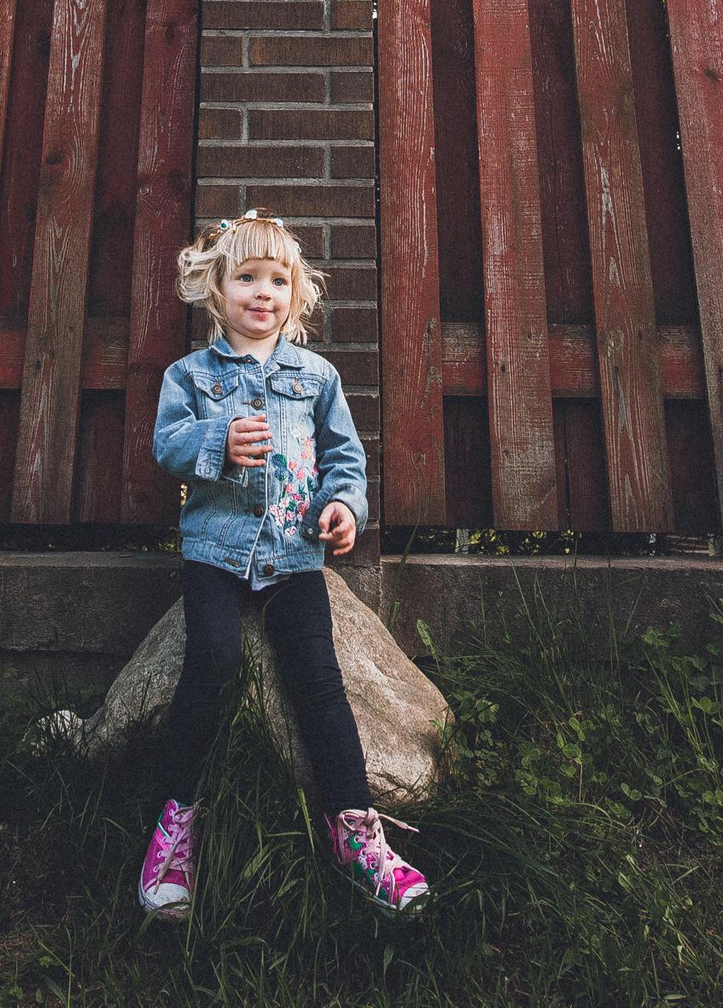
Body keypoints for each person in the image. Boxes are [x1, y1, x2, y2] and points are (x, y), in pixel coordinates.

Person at [136, 209, 429, 921]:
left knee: (319, 680)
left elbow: (345, 460)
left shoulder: (317, 376)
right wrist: (215, 439)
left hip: (295, 557)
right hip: (215, 551)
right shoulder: (192, 376)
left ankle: (355, 829)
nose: (261, 292)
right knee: (212, 656)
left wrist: (345, 509)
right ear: (218, 289)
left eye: (277, 279)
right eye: (246, 277)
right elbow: (166, 444)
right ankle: (175, 824)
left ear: (295, 293)